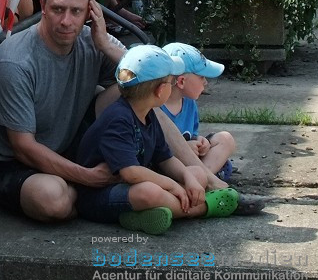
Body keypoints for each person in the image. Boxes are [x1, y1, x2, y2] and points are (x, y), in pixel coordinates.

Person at [0, 0, 124, 222]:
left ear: (90, 11)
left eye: (76, 11)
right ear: (43, 6)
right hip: (13, 164)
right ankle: (112, 200)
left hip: (68, 144)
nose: (66, 21)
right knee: (52, 200)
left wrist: (106, 45)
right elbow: (23, 148)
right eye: (58, 9)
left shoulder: (91, 40)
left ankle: (193, 171)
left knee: (136, 88)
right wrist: (87, 176)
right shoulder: (15, 62)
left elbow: (152, 78)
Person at [73, 46, 227, 234]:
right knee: (149, 192)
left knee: (196, 173)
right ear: (161, 90)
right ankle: (202, 209)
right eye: (171, 82)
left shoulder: (148, 113)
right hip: (99, 195)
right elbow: (131, 173)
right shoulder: (118, 118)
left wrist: (187, 177)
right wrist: (171, 185)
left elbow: (166, 158)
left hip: (131, 186)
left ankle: (138, 217)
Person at [160, 43, 237, 182]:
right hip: (164, 165)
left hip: (191, 164)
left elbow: (190, 135)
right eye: (202, 77)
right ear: (182, 81)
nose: (206, 82)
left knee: (225, 139)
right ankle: (206, 178)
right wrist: (183, 150)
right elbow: (154, 150)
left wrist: (199, 142)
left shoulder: (189, 102)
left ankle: (203, 177)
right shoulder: (155, 108)